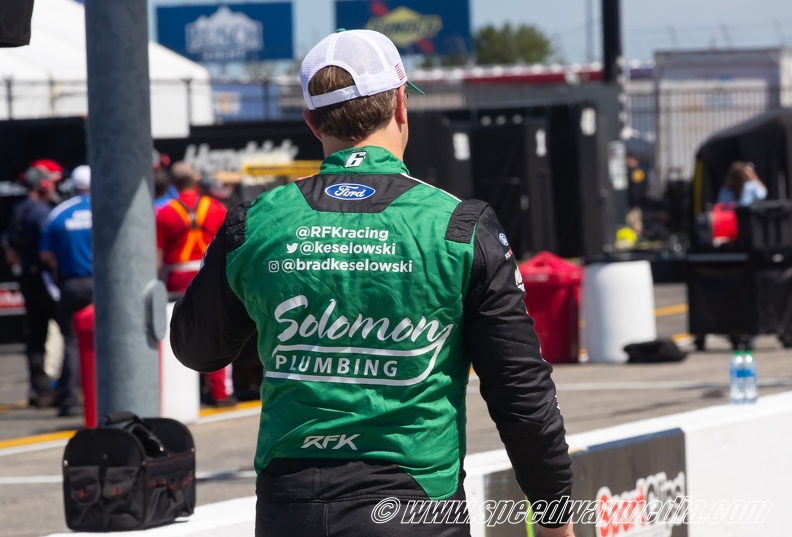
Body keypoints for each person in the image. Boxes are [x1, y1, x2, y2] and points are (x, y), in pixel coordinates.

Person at [171, 29, 574, 537]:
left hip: (291, 509)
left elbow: (196, 350)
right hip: (417, 508)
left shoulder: (254, 223)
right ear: (401, 104)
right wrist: (557, 520)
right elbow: (522, 392)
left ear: (311, 121)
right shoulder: (458, 226)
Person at [156, 161, 234, 406]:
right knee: (217, 330)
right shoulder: (216, 207)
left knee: (180, 333)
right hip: (209, 274)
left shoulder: (164, 212)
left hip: (177, 277)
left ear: (173, 183)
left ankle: (184, 394)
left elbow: (157, 254)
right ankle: (221, 393)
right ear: (196, 181)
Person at [39, 165, 93, 417]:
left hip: (73, 283)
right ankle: (107, 394)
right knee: (113, 338)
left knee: (71, 341)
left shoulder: (59, 214)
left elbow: (45, 254)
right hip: (106, 285)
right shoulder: (107, 210)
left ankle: (70, 399)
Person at [5, 165, 58, 407]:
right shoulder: (43, 212)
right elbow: (49, 252)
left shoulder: (18, 210)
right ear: (43, 185)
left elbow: (11, 252)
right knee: (68, 331)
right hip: (45, 279)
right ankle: (64, 389)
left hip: (27, 277)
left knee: (36, 334)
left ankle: (40, 388)